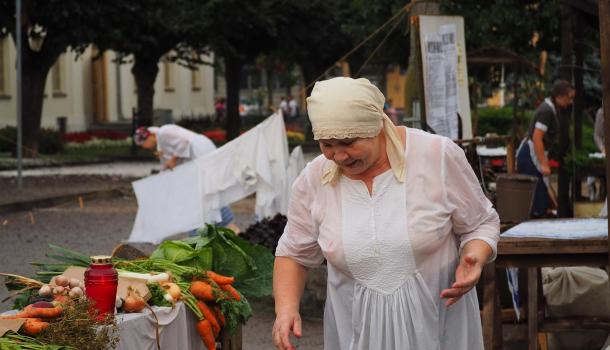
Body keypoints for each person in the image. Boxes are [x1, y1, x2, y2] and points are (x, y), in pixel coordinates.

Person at [272, 77, 500, 350]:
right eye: (326, 144)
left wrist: (475, 254)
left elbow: (481, 222)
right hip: (354, 337)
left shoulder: (437, 156)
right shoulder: (314, 179)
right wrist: (286, 309)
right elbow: (293, 253)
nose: (338, 156)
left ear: (376, 126)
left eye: (348, 142)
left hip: (438, 332)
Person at [134, 124, 239, 231]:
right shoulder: (161, 143)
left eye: (142, 143)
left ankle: (215, 225)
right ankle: (220, 224)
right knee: (204, 192)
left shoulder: (163, 132)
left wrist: (173, 160)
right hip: (197, 158)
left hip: (200, 152)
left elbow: (185, 141)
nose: (143, 147)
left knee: (204, 192)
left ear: (150, 136)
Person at [516, 80, 575, 217]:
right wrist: (544, 164)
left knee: (540, 200)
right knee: (538, 201)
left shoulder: (551, 109)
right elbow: (537, 138)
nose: (570, 102)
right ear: (559, 96)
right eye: (569, 97)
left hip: (534, 153)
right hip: (530, 155)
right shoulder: (546, 111)